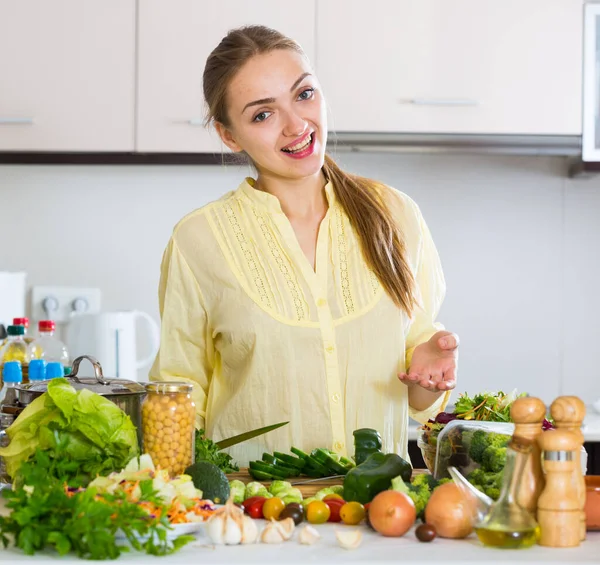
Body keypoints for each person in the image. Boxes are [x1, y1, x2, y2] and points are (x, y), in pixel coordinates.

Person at [149, 25, 459, 466]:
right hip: (252, 517)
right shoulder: (198, 239)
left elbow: (417, 396)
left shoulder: (396, 214)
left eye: (304, 94)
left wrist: (430, 377)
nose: (297, 124)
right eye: (262, 114)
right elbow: (178, 397)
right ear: (229, 135)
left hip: (377, 514)